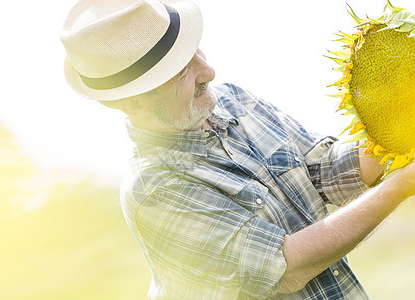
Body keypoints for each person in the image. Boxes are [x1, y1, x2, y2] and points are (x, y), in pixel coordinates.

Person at [60, 0, 415, 298]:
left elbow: (324, 174)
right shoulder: (155, 190)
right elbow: (289, 265)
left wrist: (398, 122)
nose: (209, 72)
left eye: (195, 51)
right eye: (182, 71)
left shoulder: (234, 101)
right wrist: (401, 185)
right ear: (132, 104)